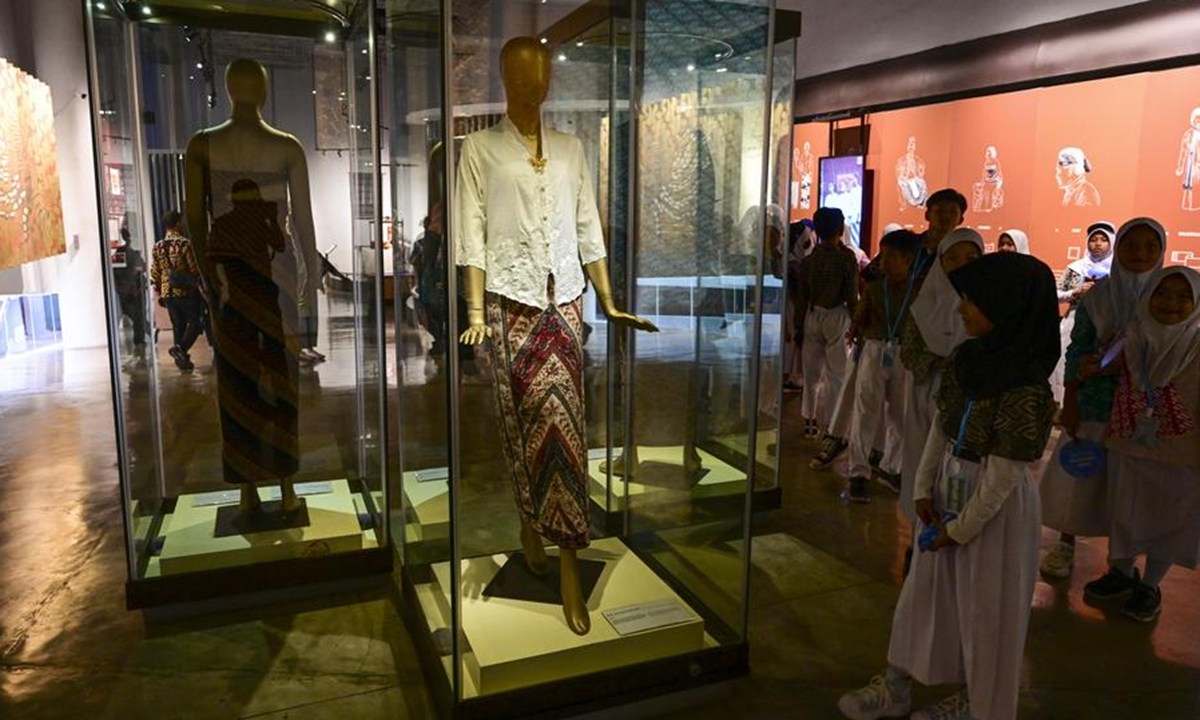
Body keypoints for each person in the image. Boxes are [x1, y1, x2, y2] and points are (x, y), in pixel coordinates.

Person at [838, 252, 1060, 720]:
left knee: (987, 612)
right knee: (922, 599)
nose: (961, 309)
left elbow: (1002, 478)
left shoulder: (1028, 387)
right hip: (947, 491)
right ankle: (897, 684)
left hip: (992, 511)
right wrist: (922, 488)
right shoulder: (968, 357)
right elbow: (942, 423)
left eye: (973, 301)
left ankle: (978, 704)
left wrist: (958, 531)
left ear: (1008, 306)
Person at [1040, 218, 1165, 579]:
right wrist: (1073, 402)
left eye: (1149, 246)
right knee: (1079, 477)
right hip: (1096, 404)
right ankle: (1065, 544)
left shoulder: (1166, 295)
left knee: (1128, 487)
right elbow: (1078, 350)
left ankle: (1121, 562)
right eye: (1131, 245)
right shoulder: (1099, 296)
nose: (1139, 254)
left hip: (1144, 411)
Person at [1094, 266, 1199, 621]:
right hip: (1129, 438)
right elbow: (1103, 365)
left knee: (1170, 518)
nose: (1171, 303)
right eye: (1163, 293)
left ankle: (1150, 585)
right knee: (1124, 510)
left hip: (1182, 449)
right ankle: (1120, 573)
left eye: (1183, 296)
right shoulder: (1133, 333)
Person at [898, 191, 976, 523]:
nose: (960, 267)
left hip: (970, 395)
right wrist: (936, 365)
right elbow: (910, 348)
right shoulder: (923, 300)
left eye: (970, 260)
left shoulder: (986, 304)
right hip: (924, 388)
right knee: (921, 455)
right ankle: (918, 531)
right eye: (953, 259)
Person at [842, 229, 922, 502]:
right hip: (875, 349)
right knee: (865, 412)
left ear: (908, 259)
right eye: (882, 255)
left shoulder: (919, 290)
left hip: (905, 354)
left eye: (890, 257)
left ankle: (894, 468)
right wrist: (855, 326)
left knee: (901, 415)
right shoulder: (876, 287)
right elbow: (860, 316)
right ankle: (858, 474)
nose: (883, 262)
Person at [796, 207, 858, 451]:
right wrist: (857, 323)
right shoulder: (847, 259)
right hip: (837, 316)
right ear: (841, 229)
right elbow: (851, 296)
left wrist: (799, 324)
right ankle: (832, 426)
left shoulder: (808, 261)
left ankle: (808, 419)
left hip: (812, 314)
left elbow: (802, 297)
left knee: (811, 374)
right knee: (836, 376)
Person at [1049, 221, 1115, 403]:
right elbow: (1056, 294)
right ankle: (1063, 404)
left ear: (1111, 243)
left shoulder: (1117, 270)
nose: (1098, 243)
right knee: (1066, 362)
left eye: (1103, 240)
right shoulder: (1076, 268)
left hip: (1106, 323)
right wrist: (1074, 292)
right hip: (1073, 319)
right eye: (1093, 239)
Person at [150, 211, 205, 372]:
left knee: (178, 325)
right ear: (178, 224)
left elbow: (155, 273)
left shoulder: (158, 246)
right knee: (195, 323)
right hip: (185, 291)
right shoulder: (184, 244)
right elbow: (194, 269)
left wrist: (161, 292)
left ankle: (182, 361)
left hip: (168, 293)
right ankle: (180, 350)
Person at [111, 225, 148, 358]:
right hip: (131, 291)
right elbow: (141, 268)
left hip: (129, 291)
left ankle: (142, 338)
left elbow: (140, 268)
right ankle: (143, 337)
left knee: (136, 317)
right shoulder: (130, 254)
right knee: (138, 317)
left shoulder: (122, 255)